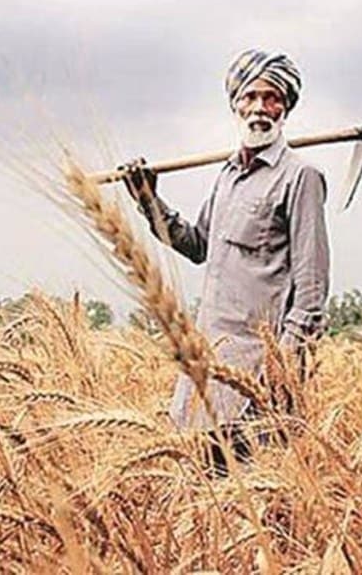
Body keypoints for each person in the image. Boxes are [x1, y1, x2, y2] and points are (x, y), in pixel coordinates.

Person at [121, 49, 330, 469]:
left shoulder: (300, 178)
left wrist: (281, 366)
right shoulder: (228, 176)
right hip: (208, 369)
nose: (259, 107)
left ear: (285, 107)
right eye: (249, 96)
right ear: (236, 104)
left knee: (259, 504)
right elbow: (197, 245)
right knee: (203, 496)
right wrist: (149, 200)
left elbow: (311, 293)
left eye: (271, 97)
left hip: (259, 378)